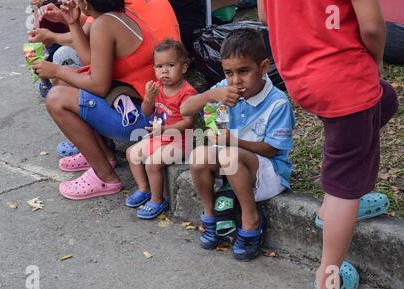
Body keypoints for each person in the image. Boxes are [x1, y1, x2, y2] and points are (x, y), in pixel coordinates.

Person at [259, 0, 399, 289]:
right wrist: (376, 60)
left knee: (385, 99)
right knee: (344, 183)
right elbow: (372, 26)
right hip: (346, 79)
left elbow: (263, 15)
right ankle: (328, 281)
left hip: (303, 78)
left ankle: (338, 207)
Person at [180, 28, 295, 261]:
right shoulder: (224, 88)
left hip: (268, 173)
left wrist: (233, 142)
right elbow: (185, 109)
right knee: (199, 156)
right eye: (229, 72)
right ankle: (210, 215)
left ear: (263, 68)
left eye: (243, 71)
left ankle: (250, 218)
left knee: (229, 155)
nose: (235, 80)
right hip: (232, 165)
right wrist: (211, 95)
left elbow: (273, 149)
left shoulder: (277, 103)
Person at [32, 0, 159, 200]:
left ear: (85, 2)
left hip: (141, 121)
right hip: (143, 110)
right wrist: (73, 23)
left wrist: (57, 69)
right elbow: (89, 61)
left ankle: (105, 177)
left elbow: (99, 86)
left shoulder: (104, 24)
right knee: (64, 80)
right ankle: (104, 156)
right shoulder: (118, 14)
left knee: (56, 97)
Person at [125, 40, 197, 219]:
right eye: (159, 66)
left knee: (152, 163)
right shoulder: (156, 88)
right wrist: (148, 98)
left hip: (180, 142)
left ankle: (158, 200)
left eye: (170, 65)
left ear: (184, 67)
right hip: (159, 137)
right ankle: (144, 189)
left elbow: (188, 122)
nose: (164, 71)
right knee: (131, 153)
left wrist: (166, 129)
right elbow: (146, 112)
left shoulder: (187, 93)